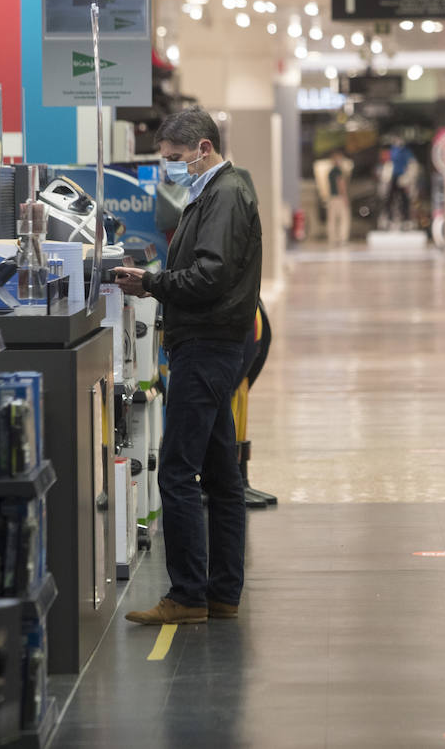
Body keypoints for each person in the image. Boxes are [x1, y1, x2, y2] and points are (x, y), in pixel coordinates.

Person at [114, 107, 263, 625]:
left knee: (177, 471)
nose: (170, 169)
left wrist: (150, 283)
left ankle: (187, 596)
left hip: (206, 345)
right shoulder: (217, 192)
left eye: (175, 159)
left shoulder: (223, 194)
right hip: (213, 343)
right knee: (222, 475)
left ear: (202, 148)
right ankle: (221, 593)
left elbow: (210, 276)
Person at [324, 148, 352, 245]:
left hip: (332, 197)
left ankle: (332, 238)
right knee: (344, 218)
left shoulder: (330, 172)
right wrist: (345, 197)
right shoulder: (338, 171)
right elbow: (341, 184)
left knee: (332, 219)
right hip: (339, 198)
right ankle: (342, 238)